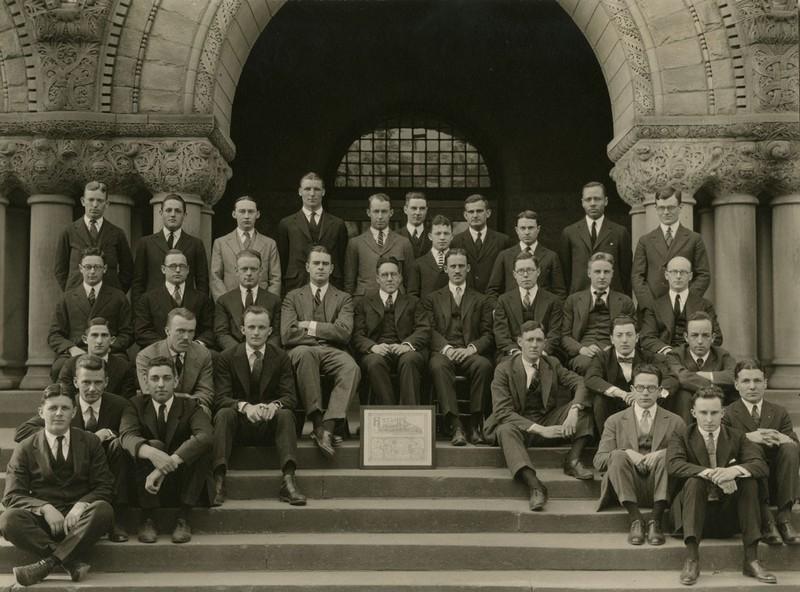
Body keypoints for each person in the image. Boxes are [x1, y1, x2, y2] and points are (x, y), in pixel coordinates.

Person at [0, 384, 114, 586]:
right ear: (41, 412)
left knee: (103, 510)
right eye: (53, 408)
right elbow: (12, 495)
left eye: (65, 408)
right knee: (8, 519)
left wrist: (81, 505)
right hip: (43, 523)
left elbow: (104, 486)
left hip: (79, 523)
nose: (59, 413)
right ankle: (69, 562)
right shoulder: (26, 447)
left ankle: (47, 563)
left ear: (74, 412)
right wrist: (44, 508)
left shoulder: (90, 442)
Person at [14, 355, 133, 543]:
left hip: (98, 474)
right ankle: (64, 559)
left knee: (119, 451)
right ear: (76, 382)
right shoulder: (65, 404)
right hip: (58, 481)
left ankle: (116, 519)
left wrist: (101, 436)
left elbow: (129, 433)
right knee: (9, 520)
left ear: (106, 382)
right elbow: (22, 432)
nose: (92, 388)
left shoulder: (119, 404)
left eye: (98, 382)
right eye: (86, 382)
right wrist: (59, 433)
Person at [667, 385, 775, 585]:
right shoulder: (682, 435)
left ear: (723, 412)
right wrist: (713, 474)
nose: (709, 419)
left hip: (728, 515)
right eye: (703, 413)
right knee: (694, 481)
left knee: (749, 481)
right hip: (692, 515)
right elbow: (674, 465)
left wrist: (733, 472)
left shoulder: (737, 436)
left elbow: (760, 465)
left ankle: (751, 559)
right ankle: (692, 559)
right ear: (693, 413)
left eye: (714, 413)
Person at [484, 321, 594, 513]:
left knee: (583, 407)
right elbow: (503, 412)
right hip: (518, 425)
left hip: (545, 419)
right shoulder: (504, 368)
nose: (534, 345)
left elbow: (580, 382)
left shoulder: (552, 363)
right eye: (529, 340)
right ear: (520, 342)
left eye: (539, 340)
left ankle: (572, 460)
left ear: (545, 343)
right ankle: (534, 485)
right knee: (505, 429)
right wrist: (542, 430)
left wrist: (574, 410)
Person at [212, 306, 306, 507]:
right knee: (223, 414)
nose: (256, 332)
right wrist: (245, 407)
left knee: (286, 414)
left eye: (261, 327)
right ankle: (218, 479)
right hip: (238, 426)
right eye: (251, 327)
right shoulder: (227, 357)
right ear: (242, 330)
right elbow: (220, 397)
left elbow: (290, 396)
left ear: (270, 330)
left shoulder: (280, 357)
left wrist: (275, 405)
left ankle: (289, 481)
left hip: (269, 425)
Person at [120, 356, 213, 544]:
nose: (161, 384)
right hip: (145, 485)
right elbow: (126, 436)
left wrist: (165, 466)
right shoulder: (135, 404)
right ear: (145, 381)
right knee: (151, 445)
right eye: (155, 379)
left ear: (176, 381)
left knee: (202, 447)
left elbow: (205, 436)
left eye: (167, 378)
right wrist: (153, 454)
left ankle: (184, 517)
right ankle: (148, 517)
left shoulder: (191, 405)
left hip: (182, 482)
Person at [281, 246, 360, 458]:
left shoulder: (343, 298)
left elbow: (343, 333)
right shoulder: (292, 297)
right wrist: (325, 332)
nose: (321, 268)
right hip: (301, 350)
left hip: (333, 350)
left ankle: (329, 426)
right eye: (316, 263)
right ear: (307, 267)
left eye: (325, 264)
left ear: (332, 268)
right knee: (306, 355)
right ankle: (316, 423)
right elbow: (287, 334)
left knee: (351, 367)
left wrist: (308, 325)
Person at [593, 364, 685, 546]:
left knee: (669, 455)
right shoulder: (615, 420)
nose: (645, 393)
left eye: (651, 388)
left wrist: (663, 454)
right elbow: (599, 461)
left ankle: (655, 521)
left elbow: (686, 460)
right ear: (632, 390)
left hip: (661, 485)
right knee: (618, 456)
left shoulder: (676, 421)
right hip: (627, 486)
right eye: (640, 388)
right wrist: (625, 453)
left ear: (659, 391)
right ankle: (635, 519)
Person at [722, 359, 800, 546]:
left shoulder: (779, 412)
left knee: (790, 448)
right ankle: (766, 521)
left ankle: (784, 518)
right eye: (746, 381)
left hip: (778, 482)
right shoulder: (728, 413)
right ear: (736, 384)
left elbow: (796, 447)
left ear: (765, 383)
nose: (752, 387)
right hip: (749, 486)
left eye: (757, 381)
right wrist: (748, 437)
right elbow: (721, 448)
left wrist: (786, 439)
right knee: (752, 446)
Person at [425, 249, 494, 446]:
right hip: (443, 353)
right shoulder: (432, 299)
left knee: (484, 366)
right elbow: (428, 330)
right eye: (453, 266)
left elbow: (489, 333)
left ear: (468, 269)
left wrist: (471, 348)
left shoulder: (481, 300)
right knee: (438, 367)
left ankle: (474, 424)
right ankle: (455, 425)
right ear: (445, 269)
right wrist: (446, 348)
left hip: (469, 352)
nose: (457, 270)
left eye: (461, 266)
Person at [352, 256, 430, 405]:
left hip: (405, 349)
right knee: (374, 362)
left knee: (410, 360)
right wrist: (373, 347)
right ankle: (390, 410)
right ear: (377, 279)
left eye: (393, 274)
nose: (389, 279)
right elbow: (357, 334)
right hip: (377, 350)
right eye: (384, 275)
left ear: (400, 278)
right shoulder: (364, 303)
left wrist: (406, 345)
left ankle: (410, 414)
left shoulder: (413, 302)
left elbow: (424, 329)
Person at [585, 315, 679, 434]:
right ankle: (607, 442)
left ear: (637, 337)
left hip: (645, 407)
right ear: (612, 339)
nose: (624, 340)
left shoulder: (649, 357)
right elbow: (591, 378)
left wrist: (647, 394)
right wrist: (622, 394)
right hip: (614, 410)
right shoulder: (602, 358)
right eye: (619, 335)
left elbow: (671, 379)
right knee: (599, 400)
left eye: (629, 335)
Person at [48, 247, 133, 378]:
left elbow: (128, 333)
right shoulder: (67, 298)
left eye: (97, 267)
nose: (92, 271)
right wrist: (72, 349)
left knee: (123, 367)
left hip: (109, 351)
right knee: (59, 367)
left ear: (104, 269)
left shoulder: (118, 297)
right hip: (77, 350)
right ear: (81, 268)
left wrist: (106, 347)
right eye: (88, 267)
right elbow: (54, 335)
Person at [632, 187, 710, 311]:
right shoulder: (645, 241)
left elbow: (703, 275)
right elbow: (637, 276)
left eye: (671, 207)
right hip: (652, 309)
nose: (666, 212)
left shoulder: (694, 239)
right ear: (656, 209)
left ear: (680, 207)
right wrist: (650, 305)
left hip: (684, 308)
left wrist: (685, 300)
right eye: (662, 208)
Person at [560, 253, 635, 374]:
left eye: (606, 272)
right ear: (589, 273)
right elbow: (565, 336)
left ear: (612, 274)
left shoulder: (625, 301)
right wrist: (581, 349)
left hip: (614, 352)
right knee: (589, 365)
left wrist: (614, 349)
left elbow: (633, 334)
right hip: (584, 354)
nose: (602, 276)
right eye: (597, 271)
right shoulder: (573, 300)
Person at [54, 180, 134, 293]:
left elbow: (128, 270)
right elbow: (60, 270)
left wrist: (117, 293)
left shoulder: (117, 233)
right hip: (77, 299)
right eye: (91, 200)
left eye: (100, 201)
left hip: (108, 299)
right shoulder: (68, 232)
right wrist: (71, 292)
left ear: (106, 204)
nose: (95, 205)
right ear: (83, 201)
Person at [131, 193, 210, 303]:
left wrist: (200, 310)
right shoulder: (146, 243)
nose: (173, 214)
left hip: (185, 310)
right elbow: (138, 283)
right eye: (168, 210)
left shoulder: (196, 244)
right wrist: (140, 313)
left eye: (177, 211)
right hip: (153, 309)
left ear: (185, 215)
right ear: (161, 213)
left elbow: (202, 283)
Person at [277, 172, 348, 292]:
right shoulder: (286, 224)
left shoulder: (338, 224)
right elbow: (283, 259)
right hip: (296, 285)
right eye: (307, 189)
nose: (312, 193)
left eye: (316, 189)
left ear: (323, 192)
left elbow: (342, 258)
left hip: (331, 285)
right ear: (300, 191)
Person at [136, 308, 215, 416]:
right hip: (160, 410)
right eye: (180, 331)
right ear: (167, 331)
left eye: (191, 331)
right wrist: (183, 400)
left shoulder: (203, 354)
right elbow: (150, 393)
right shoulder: (147, 356)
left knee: (203, 411)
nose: (186, 337)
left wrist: (188, 406)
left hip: (192, 410)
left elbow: (205, 393)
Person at [559, 181, 632, 295]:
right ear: (582, 202)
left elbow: (626, 273)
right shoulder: (569, 233)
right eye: (588, 199)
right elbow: (565, 273)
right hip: (579, 300)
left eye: (597, 199)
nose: (592, 203)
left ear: (606, 201)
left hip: (612, 299)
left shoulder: (620, 232)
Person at [134, 249, 215, 349]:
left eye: (182, 266)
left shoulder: (202, 299)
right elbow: (142, 332)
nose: (177, 270)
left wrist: (196, 346)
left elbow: (209, 330)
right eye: (172, 266)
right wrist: (167, 346)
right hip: (159, 353)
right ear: (163, 269)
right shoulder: (147, 299)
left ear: (188, 270)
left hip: (193, 353)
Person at [640, 256, 721, 355]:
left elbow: (717, 337)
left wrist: (693, 352)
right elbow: (647, 337)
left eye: (683, 272)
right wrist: (667, 350)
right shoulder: (654, 306)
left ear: (690, 276)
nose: (678, 276)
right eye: (674, 272)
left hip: (694, 359)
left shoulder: (705, 305)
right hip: (664, 359)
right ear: (666, 275)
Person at [666, 311, 736, 422]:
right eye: (694, 335)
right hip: (685, 411)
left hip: (714, 411)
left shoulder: (722, 355)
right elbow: (681, 377)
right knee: (683, 395)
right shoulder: (675, 355)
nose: (699, 341)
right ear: (686, 337)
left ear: (713, 338)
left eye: (705, 335)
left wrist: (705, 375)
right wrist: (713, 387)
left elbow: (735, 376)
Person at [344, 193, 416, 297]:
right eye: (376, 211)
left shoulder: (404, 243)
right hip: (364, 302)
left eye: (384, 211)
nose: (380, 216)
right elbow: (349, 282)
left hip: (396, 304)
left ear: (391, 213)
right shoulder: (355, 243)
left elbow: (410, 281)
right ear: (368, 212)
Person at [493, 251, 562, 359]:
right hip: (513, 354)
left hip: (544, 354)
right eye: (521, 271)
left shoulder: (553, 300)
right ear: (514, 275)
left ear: (538, 271)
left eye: (530, 270)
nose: (525, 275)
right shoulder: (503, 300)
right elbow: (501, 335)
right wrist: (517, 353)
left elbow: (555, 333)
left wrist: (541, 352)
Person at [211, 195, 281, 300]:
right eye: (242, 211)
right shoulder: (221, 243)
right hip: (230, 304)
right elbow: (215, 277)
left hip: (261, 306)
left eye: (251, 212)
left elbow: (275, 279)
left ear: (257, 214)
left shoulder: (270, 244)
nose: (246, 216)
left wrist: (268, 304)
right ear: (234, 214)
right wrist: (226, 304)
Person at [487, 210, 566, 299]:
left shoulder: (551, 257)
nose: (527, 232)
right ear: (517, 230)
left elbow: (560, 292)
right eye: (523, 228)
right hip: (511, 310)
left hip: (542, 310)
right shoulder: (504, 256)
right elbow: (492, 290)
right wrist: (499, 310)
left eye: (531, 228)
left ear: (538, 229)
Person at [215, 249, 282, 350]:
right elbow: (221, 333)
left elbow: (276, 334)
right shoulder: (224, 301)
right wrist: (242, 353)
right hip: (234, 355)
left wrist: (264, 352)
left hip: (265, 355)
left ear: (260, 271)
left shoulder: (274, 300)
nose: (249, 273)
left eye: (253, 269)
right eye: (244, 269)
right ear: (237, 271)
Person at [57, 317, 137, 399]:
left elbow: (127, 401)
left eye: (104, 335)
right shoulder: (71, 365)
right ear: (85, 339)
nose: (99, 341)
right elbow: (64, 397)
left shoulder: (124, 367)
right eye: (94, 335)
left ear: (112, 340)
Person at [450, 194, 513, 293]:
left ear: (488, 213)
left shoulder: (502, 241)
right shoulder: (456, 241)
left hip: (494, 299)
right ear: (465, 215)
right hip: (466, 299)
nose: (475, 215)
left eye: (479, 211)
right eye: (471, 212)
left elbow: (508, 274)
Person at [407, 214, 452, 299]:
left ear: (451, 236)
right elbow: (412, 295)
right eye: (438, 233)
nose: (442, 237)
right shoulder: (418, 264)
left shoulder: (459, 262)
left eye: (446, 233)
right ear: (430, 236)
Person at [396, 191, 432, 259]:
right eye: (414, 208)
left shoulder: (433, 237)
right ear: (405, 209)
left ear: (426, 210)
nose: (418, 212)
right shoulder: (395, 236)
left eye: (422, 208)